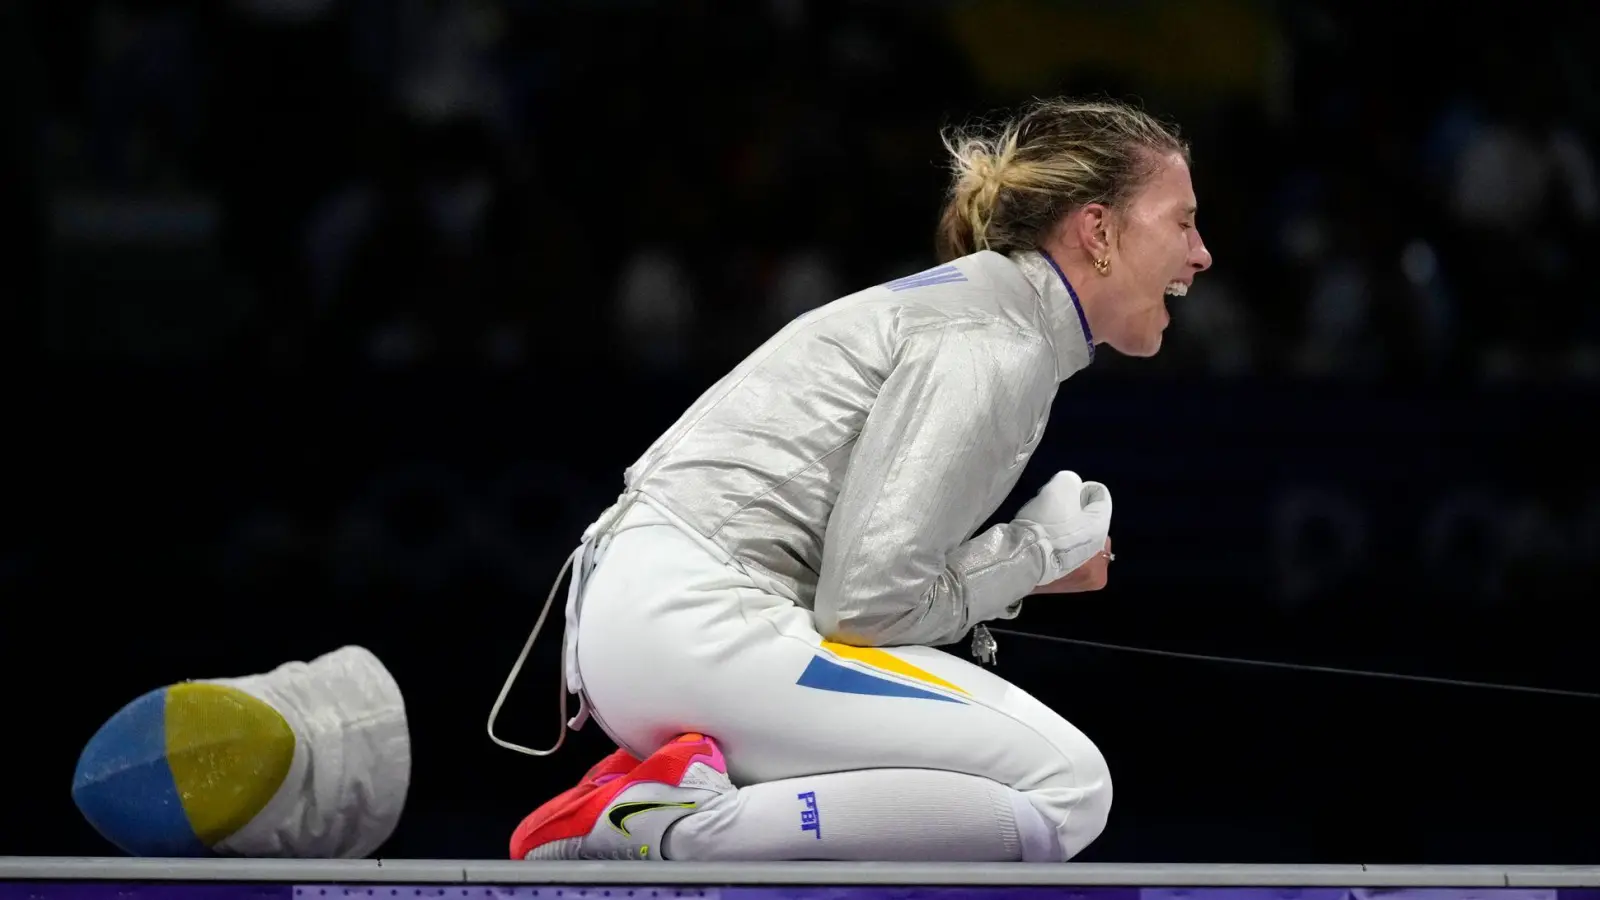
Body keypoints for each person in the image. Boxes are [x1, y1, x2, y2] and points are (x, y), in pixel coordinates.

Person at [504, 97, 1213, 863]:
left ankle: (675, 804)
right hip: (697, 622)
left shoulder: (991, 315)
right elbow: (867, 605)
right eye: (1182, 221)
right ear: (1098, 231)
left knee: (1013, 789)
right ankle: (671, 828)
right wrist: (1034, 555)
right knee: (1068, 784)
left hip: (656, 626)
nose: (1201, 253)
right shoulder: (995, 340)